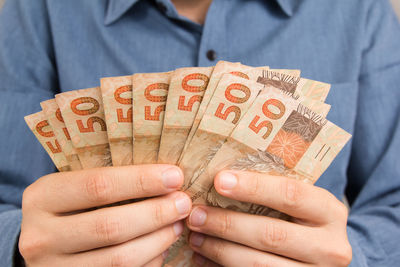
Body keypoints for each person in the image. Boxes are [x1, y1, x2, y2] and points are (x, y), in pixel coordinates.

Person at [0, 0, 399, 266]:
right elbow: (6, 203)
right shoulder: (37, 10)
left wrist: (354, 258)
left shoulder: (357, 9)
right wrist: (20, 247)